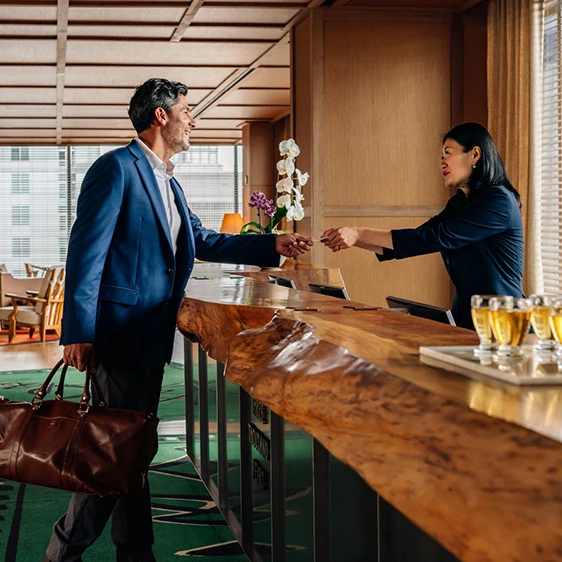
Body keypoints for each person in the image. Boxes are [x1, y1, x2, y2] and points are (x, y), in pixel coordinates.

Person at [43, 78, 312, 562]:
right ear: (161, 116)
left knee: (134, 448)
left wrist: (272, 244)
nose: (194, 120)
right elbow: (85, 254)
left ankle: (135, 551)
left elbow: (204, 239)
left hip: (149, 337)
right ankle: (63, 552)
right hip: (119, 336)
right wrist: (78, 332)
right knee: (114, 452)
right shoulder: (115, 169)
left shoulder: (169, 180)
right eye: (188, 110)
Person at [321, 122, 524, 329]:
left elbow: (434, 238)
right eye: (441, 156)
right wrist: (352, 238)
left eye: (448, 153)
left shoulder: (498, 200)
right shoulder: (460, 203)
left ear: (474, 154)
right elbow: (419, 236)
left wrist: (358, 233)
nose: (442, 162)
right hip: (468, 319)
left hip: (505, 323)